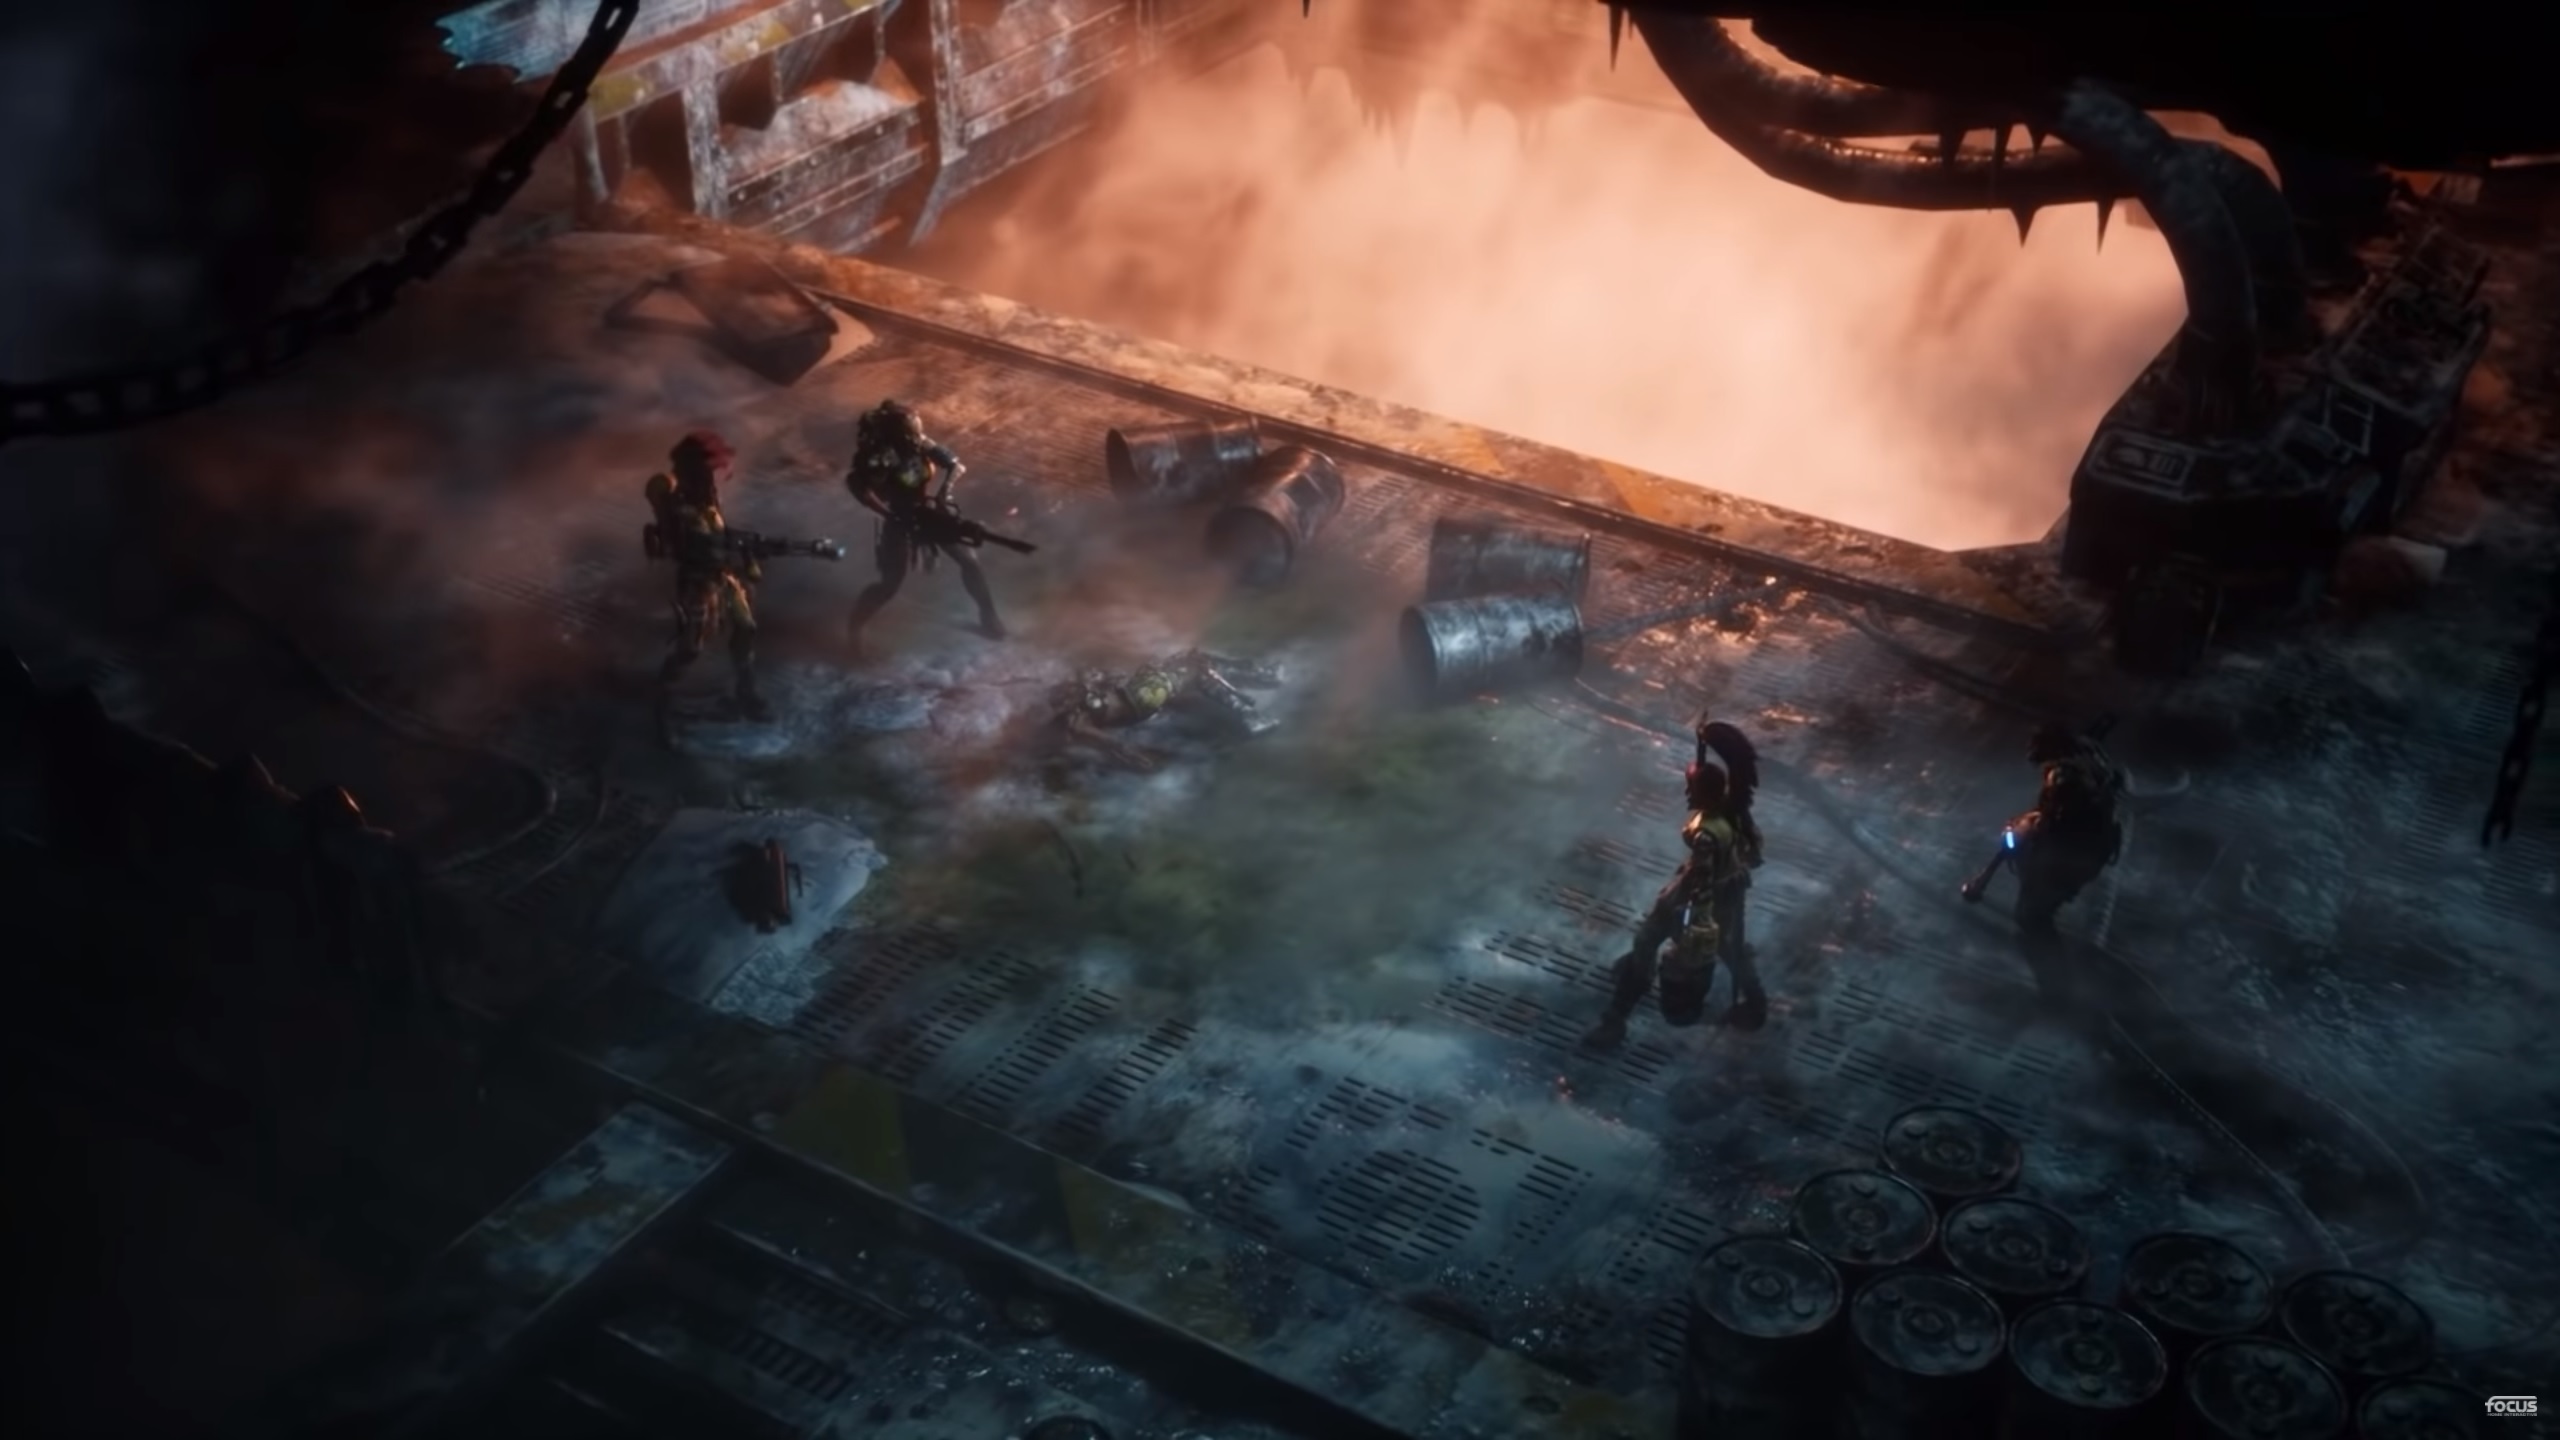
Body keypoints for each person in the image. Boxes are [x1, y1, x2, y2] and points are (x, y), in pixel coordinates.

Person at [1584, 721, 1768, 1051]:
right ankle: (1755, 1003)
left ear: (1705, 793)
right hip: (1719, 894)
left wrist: (1691, 924)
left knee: (1656, 940)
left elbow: (1702, 885)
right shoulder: (1732, 812)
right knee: (1727, 947)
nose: (1687, 794)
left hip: (1696, 903)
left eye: (1692, 788)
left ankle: (1617, 1015)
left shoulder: (1708, 833)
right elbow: (1753, 852)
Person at [843, 399, 1006, 658]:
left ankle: (989, 615)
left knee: (968, 561)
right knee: (889, 585)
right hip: (900, 516)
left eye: (916, 433)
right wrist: (888, 514)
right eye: (910, 434)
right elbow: (858, 486)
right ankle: (855, 632)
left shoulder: (919, 443)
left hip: (929, 511)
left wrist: (943, 493)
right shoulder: (881, 456)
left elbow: (955, 465)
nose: (916, 439)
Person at [644, 431, 767, 719]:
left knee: (745, 628)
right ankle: (661, 696)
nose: (714, 474)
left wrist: (749, 549)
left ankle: (746, 692)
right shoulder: (674, 498)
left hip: (723, 574)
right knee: (692, 647)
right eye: (708, 468)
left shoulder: (705, 498)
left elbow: (721, 532)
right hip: (697, 580)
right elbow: (687, 534)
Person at [1961, 721, 2126, 934]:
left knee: (2011, 837)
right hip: (2092, 849)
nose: (2030, 752)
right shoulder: (2086, 764)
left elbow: (2055, 820)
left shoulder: (2063, 777)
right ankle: (2038, 895)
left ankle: (1984, 883)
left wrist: (2023, 829)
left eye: (2035, 746)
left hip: (2070, 851)